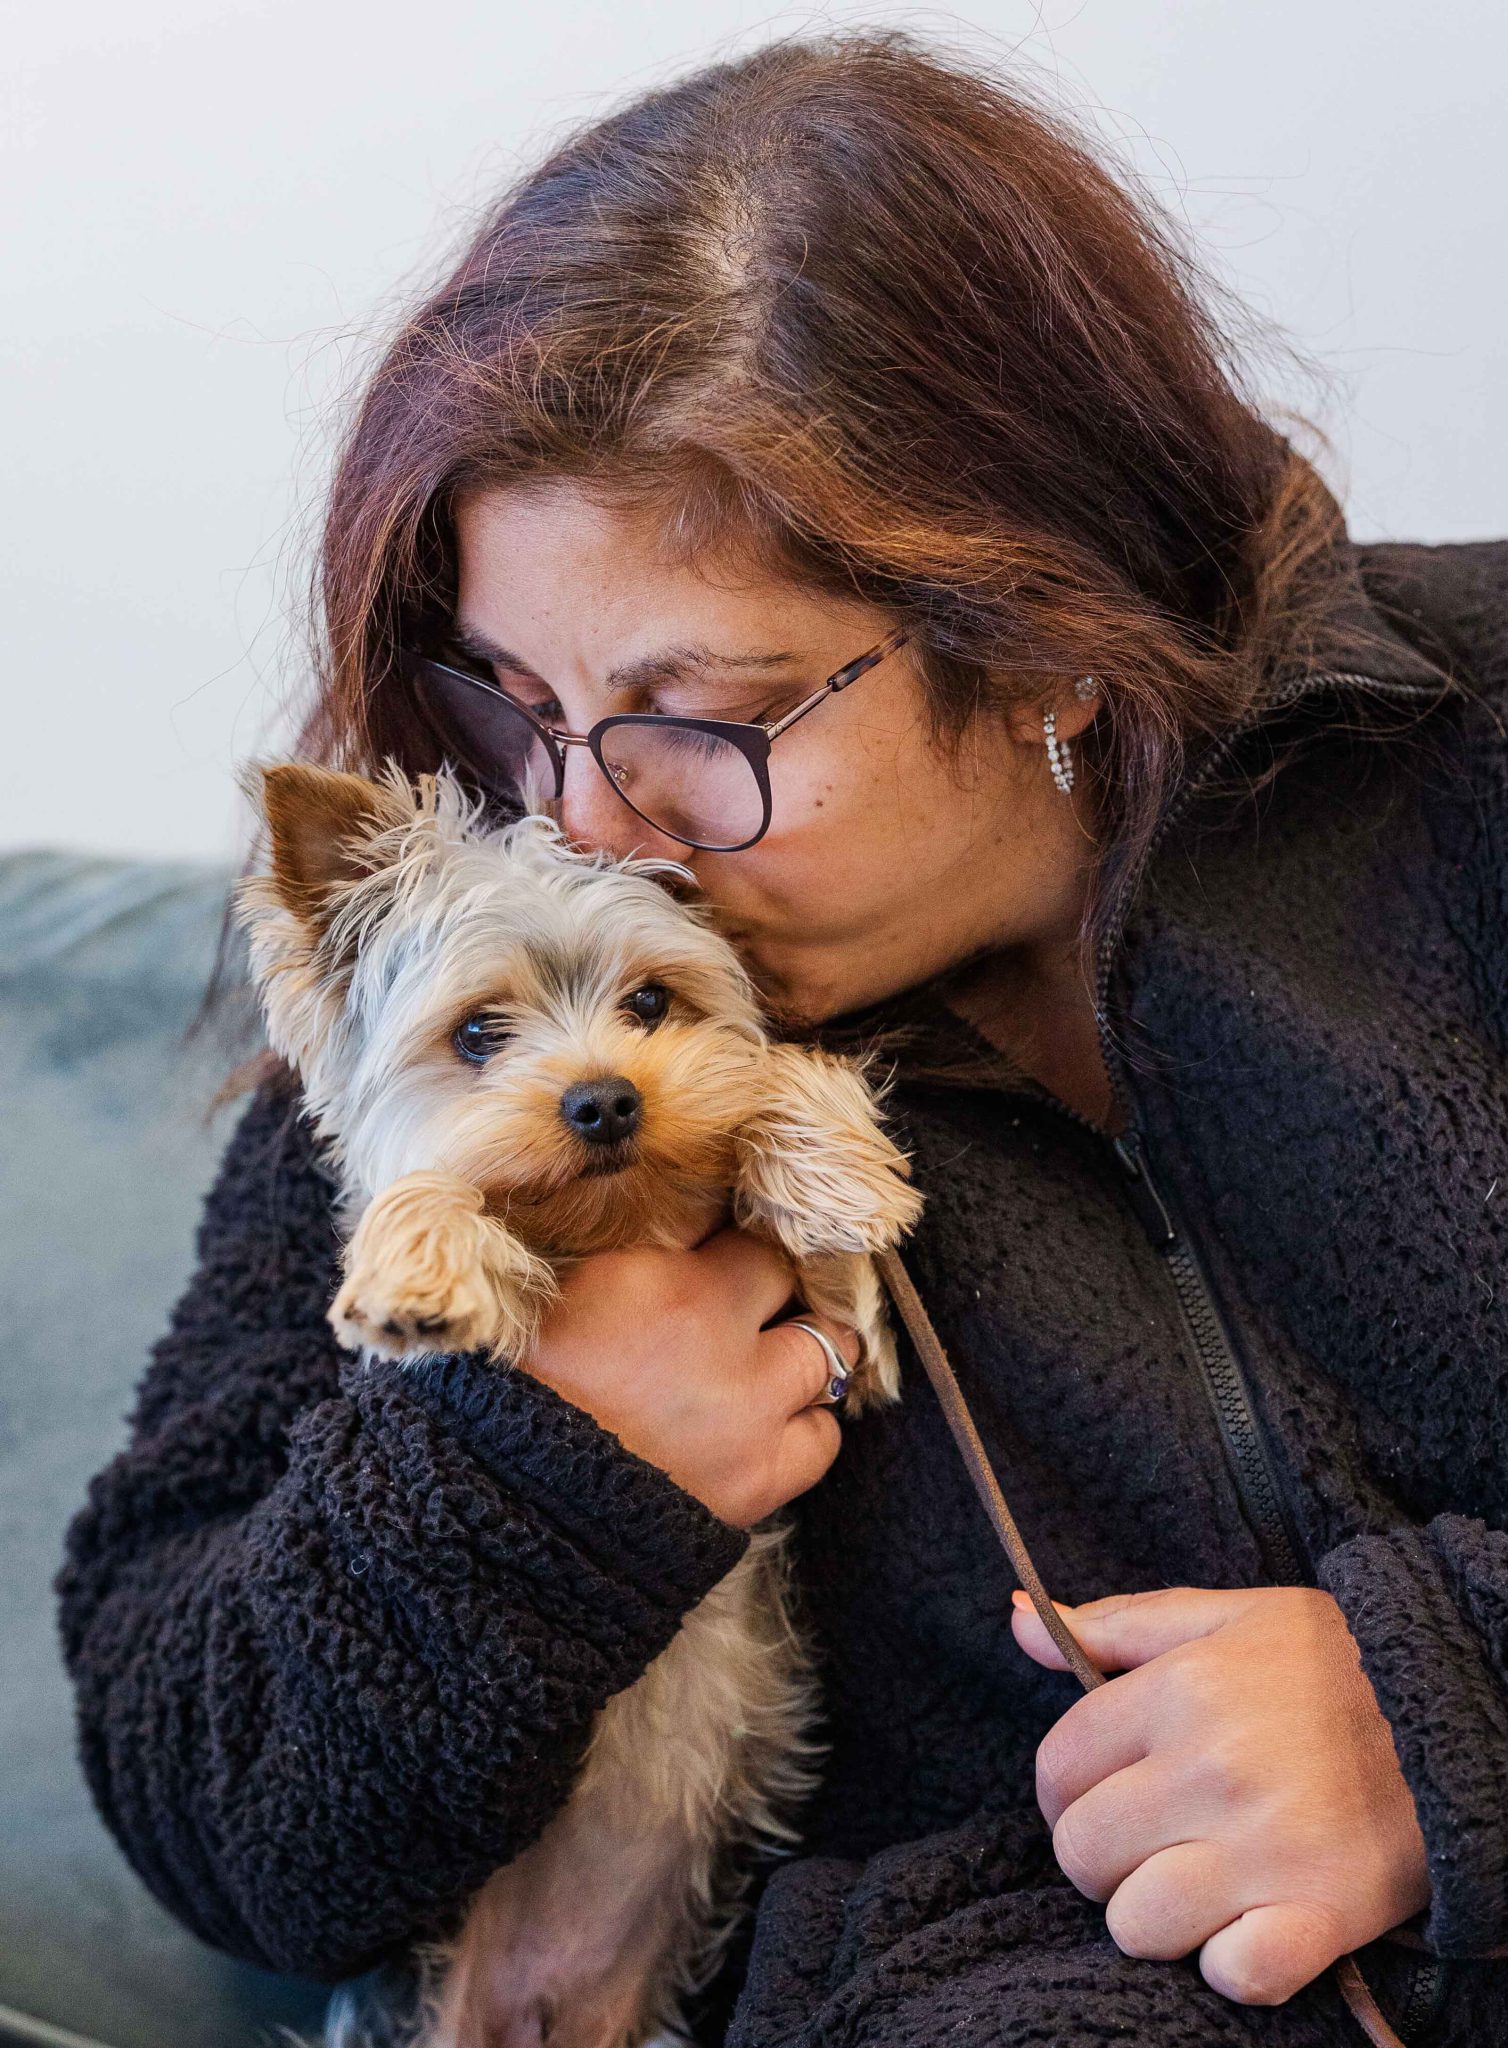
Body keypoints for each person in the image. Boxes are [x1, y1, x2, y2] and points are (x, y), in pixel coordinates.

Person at [55, 28, 1508, 2048]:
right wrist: (537, 1467)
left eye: (699, 718)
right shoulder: (491, 1037)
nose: (587, 822)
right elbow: (209, 1799)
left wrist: (1438, 1714)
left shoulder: (1474, 744)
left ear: (1045, 639)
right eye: (518, 698)